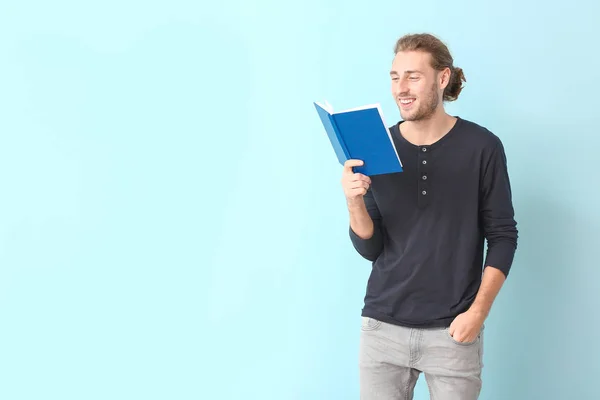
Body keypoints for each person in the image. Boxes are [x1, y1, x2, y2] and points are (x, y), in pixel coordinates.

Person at [341, 33, 518, 400]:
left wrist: (477, 313)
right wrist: (353, 200)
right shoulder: (377, 147)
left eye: (412, 76)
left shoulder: (482, 147)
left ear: (442, 78)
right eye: (394, 77)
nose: (400, 88)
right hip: (382, 327)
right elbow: (371, 248)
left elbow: (502, 236)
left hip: (452, 331)